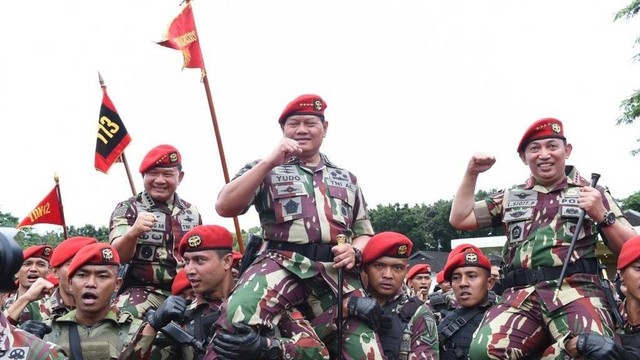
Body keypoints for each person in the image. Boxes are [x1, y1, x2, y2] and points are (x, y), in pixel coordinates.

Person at [212, 94, 385, 359]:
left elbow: (364, 232)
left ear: (324, 129)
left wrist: (355, 252)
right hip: (280, 262)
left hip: (333, 271)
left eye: (310, 123)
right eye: (294, 124)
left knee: (367, 350)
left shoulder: (347, 178)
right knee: (236, 318)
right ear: (283, 131)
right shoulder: (264, 168)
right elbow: (225, 206)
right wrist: (269, 162)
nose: (302, 130)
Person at [449, 117, 637, 359]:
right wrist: (472, 172)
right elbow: (460, 218)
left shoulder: (592, 192)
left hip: (577, 291)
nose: (544, 154)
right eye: (535, 149)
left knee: (596, 350)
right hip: (520, 294)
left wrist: (602, 215)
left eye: (552, 146)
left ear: (566, 151)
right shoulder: (511, 196)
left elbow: (631, 248)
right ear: (523, 157)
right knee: (483, 352)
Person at [124, 224, 329, 360]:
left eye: (200, 260)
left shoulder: (266, 302)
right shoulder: (182, 318)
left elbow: (318, 353)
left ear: (227, 261)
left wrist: (266, 347)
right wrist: (153, 324)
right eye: (186, 261)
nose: (190, 269)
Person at [109, 144, 202, 320]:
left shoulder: (192, 213)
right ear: (143, 176)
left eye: (167, 174)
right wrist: (133, 232)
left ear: (180, 177)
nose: (160, 180)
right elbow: (118, 256)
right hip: (143, 291)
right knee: (120, 317)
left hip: (189, 291)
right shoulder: (128, 208)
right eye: (153, 174)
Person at [44, 242, 142, 359]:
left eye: (102, 276)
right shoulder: (49, 331)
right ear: (70, 283)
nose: (91, 284)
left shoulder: (135, 332)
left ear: (117, 284)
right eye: (82, 275)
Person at [360, 231, 439, 360]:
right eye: (379, 266)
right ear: (366, 268)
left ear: (406, 272)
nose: (388, 275)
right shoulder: (350, 306)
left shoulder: (419, 313)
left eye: (397, 268)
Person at [438, 244, 497, 359]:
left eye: (472, 276)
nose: (463, 283)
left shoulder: (508, 319)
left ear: (490, 283)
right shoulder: (444, 326)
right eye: (456, 278)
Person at [4, 245, 54, 325]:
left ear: (48, 273)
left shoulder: (55, 306)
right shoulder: (3, 304)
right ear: (16, 272)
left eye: (41, 265)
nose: (33, 269)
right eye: (27, 264)